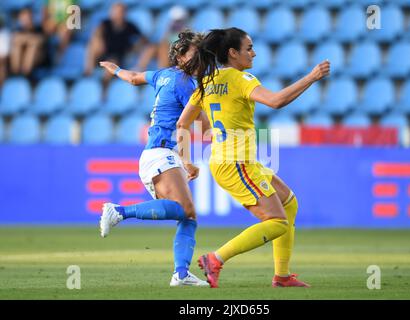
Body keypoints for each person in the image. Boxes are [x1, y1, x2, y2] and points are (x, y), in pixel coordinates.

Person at [177, 28, 330, 288]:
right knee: (277, 222)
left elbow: (182, 124)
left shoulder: (206, 82)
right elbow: (276, 101)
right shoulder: (240, 79)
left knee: (289, 203)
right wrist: (312, 77)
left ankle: (282, 276)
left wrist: (187, 159)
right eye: (249, 48)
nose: (254, 52)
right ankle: (215, 258)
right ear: (233, 53)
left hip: (235, 161)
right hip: (236, 163)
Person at [98, 30, 210, 287]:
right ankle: (119, 211)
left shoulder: (163, 75)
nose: (201, 58)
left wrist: (115, 70)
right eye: (196, 53)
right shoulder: (186, 83)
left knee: (188, 216)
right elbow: (199, 126)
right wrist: (188, 160)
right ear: (181, 56)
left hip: (156, 154)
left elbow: (135, 77)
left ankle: (181, 274)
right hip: (162, 153)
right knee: (186, 210)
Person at [85, 2, 148, 81]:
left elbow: (143, 39)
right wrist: (98, 40)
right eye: (116, 12)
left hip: (119, 57)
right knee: (93, 46)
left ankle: (104, 86)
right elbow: (96, 33)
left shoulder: (130, 26)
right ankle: (89, 71)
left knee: (112, 64)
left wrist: (134, 48)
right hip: (104, 53)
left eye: (121, 12)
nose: (118, 14)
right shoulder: (105, 23)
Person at [9, 7, 47, 77]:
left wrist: (27, 39)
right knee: (17, 45)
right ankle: (16, 71)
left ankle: (25, 73)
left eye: (27, 17)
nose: (25, 19)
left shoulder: (38, 28)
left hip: (39, 58)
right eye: (23, 17)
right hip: (22, 58)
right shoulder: (18, 29)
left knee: (32, 46)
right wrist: (28, 39)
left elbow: (41, 40)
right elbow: (15, 39)